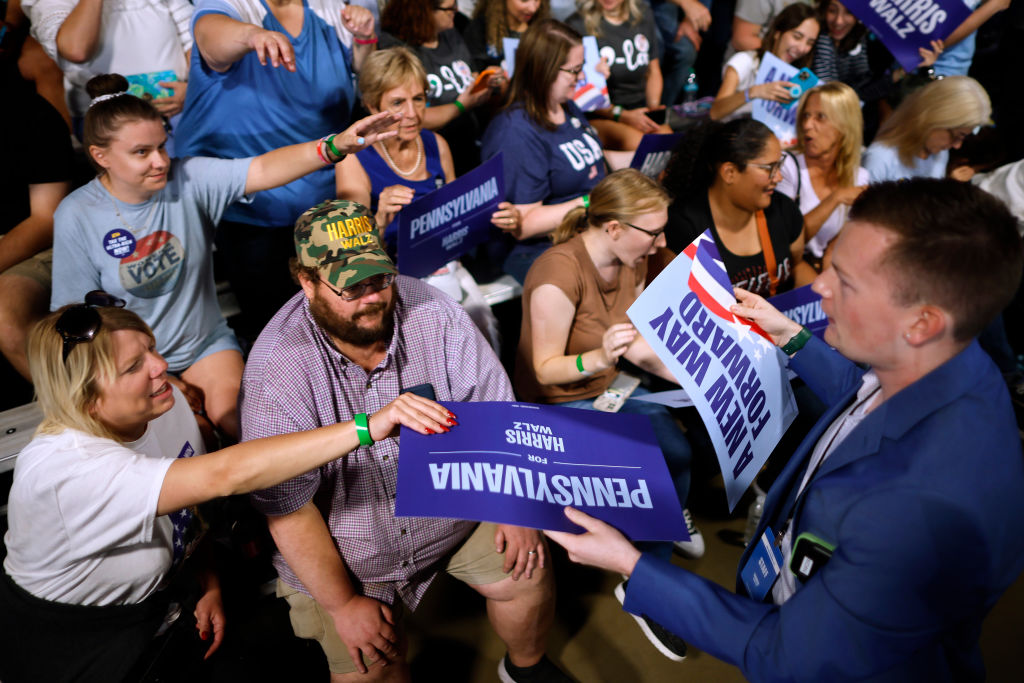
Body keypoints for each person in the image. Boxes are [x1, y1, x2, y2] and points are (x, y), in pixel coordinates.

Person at [545, 178, 1024, 682]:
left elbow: (790, 656)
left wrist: (631, 564)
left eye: (845, 280)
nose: (819, 287)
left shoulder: (907, 517)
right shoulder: (956, 364)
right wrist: (791, 337)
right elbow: (863, 398)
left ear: (922, 323)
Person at [0, 292, 455, 683]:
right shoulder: (67, 470)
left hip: (161, 599)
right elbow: (224, 474)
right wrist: (368, 426)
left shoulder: (163, 402)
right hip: (74, 636)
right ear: (88, 398)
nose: (162, 367)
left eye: (152, 349)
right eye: (134, 366)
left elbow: (187, 508)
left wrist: (208, 581)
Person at [241, 200, 571, 683]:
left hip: (452, 506)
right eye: (351, 286)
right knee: (374, 666)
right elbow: (287, 506)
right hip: (349, 552)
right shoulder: (278, 367)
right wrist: (344, 603)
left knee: (529, 569)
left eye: (379, 278)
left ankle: (525, 668)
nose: (371, 297)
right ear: (306, 282)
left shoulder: (435, 312)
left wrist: (512, 509)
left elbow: (495, 411)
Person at [50, 73, 397, 440]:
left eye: (162, 147)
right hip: (127, 360)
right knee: (185, 438)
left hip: (204, 345)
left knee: (248, 431)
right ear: (99, 155)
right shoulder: (76, 213)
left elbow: (262, 169)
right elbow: (74, 317)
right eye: (141, 152)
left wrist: (335, 145)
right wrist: (151, 370)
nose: (160, 162)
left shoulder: (187, 177)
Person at [515, 168, 703, 568]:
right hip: (557, 400)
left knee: (679, 449)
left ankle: (664, 531)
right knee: (652, 462)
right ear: (615, 228)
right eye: (654, 233)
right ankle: (650, 570)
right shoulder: (558, 273)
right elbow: (545, 370)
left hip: (608, 384)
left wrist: (700, 381)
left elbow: (632, 342)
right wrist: (599, 359)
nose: (662, 243)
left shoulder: (631, 257)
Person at [175, 0, 377, 345]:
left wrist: (364, 39)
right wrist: (252, 36)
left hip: (322, 201)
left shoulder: (330, 9)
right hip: (253, 210)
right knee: (276, 334)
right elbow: (210, 43)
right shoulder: (236, 6)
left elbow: (362, 77)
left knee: (338, 328)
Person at [481, 18, 609, 282]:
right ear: (544, 71)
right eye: (574, 71)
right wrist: (593, 201)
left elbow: (590, 160)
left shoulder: (565, 106)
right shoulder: (516, 131)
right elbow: (524, 224)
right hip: (541, 248)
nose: (581, 77)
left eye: (581, 68)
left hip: (589, 229)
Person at [662, 117, 815, 298]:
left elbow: (796, 266)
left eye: (779, 165)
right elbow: (668, 298)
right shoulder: (683, 227)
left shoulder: (783, 210)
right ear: (730, 173)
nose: (779, 177)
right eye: (769, 168)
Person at [21, 0, 192, 138]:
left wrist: (192, 89)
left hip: (178, 112)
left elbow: (193, 39)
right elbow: (76, 51)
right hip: (107, 123)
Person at [0, 64, 73, 380]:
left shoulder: (30, 114)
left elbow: (46, 220)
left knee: (5, 316)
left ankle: (78, 419)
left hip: (31, 245)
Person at [380, 0, 503, 175]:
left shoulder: (450, 32)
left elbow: (470, 75)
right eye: (449, 8)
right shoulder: (396, 48)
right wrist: (459, 106)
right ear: (424, 11)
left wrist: (485, 82)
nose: (456, 10)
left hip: (467, 145)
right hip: (428, 153)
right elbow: (407, 115)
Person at [776, 81, 867, 268]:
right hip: (792, 269)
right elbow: (785, 240)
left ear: (845, 125)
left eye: (821, 117)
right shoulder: (787, 166)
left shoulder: (860, 177)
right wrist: (835, 198)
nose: (808, 125)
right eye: (806, 115)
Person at [566, 0, 673, 151]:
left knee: (667, 140)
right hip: (602, 113)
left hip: (639, 108)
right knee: (638, 143)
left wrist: (652, 110)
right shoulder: (577, 24)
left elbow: (653, 70)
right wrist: (622, 115)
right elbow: (579, 92)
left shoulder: (643, 14)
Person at [863, 76, 991, 183]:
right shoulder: (881, 158)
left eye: (963, 137)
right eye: (957, 136)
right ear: (933, 119)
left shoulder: (939, 153)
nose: (957, 145)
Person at [711, 2, 819, 121]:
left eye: (810, 43)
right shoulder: (745, 61)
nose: (802, 48)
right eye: (797, 37)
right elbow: (715, 113)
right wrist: (753, 92)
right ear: (778, 33)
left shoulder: (799, 78)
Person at [463, 0, 548, 71]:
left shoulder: (544, 30)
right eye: (524, 0)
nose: (532, 9)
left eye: (537, 0)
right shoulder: (479, 29)